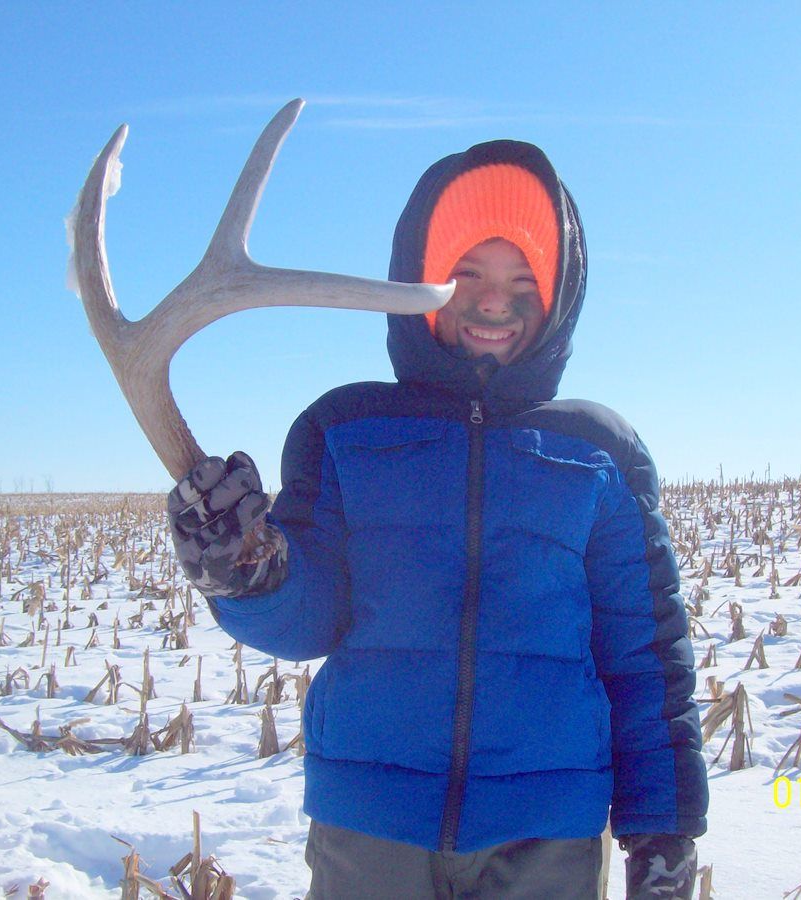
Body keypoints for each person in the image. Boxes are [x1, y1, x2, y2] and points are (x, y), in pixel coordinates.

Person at [168, 139, 708, 899]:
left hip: (546, 836)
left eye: (524, 279)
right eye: (466, 275)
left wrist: (665, 826)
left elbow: (646, 660)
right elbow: (306, 620)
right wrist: (250, 573)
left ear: (559, 295)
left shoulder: (600, 452)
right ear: (417, 285)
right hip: (371, 830)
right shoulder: (343, 427)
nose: (494, 301)